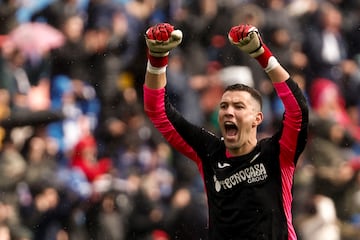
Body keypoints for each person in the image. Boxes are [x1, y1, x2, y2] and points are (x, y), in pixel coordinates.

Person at [143, 22, 309, 239]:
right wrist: (156, 59)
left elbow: (298, 111)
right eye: (224, 106)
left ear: (258, 118)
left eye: (239, 106)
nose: (229, 111)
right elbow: (158, 112)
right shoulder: (210, 152)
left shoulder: (277, 152)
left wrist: (262, 55)